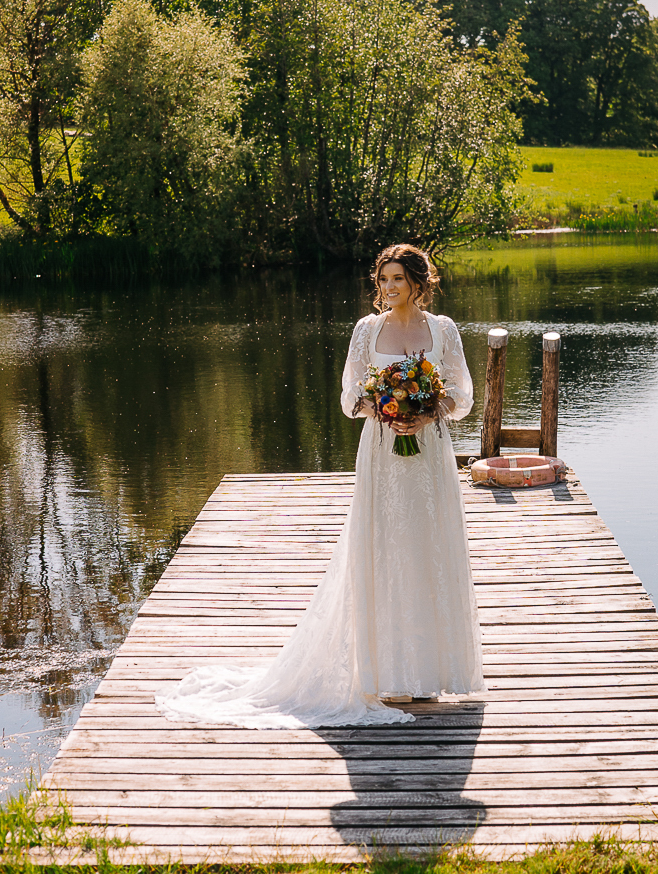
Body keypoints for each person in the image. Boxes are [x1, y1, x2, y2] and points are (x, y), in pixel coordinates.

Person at [157, 243, 485, 728]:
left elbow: (463, 395)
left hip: (429, 456)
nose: (389, 288)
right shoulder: (366, 331)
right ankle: (388, 674)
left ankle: (430, 674)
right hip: (382, 454)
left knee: (428, 550)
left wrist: (427, 410)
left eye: (398, 279)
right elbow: (349, 394)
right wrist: (382, 407)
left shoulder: (443, 330)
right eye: (383, 280)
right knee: (383, 551)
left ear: (419, 282)